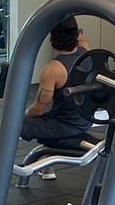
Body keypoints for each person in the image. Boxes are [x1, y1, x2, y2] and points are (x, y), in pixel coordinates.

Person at [21, 17, 95, 148]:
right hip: (85, 122)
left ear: (51, 38)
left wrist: (22, 115)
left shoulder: (52, 70)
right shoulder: (86, 51)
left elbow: (38, 110)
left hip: (62, 126)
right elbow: (80, 36)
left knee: (0, 124)